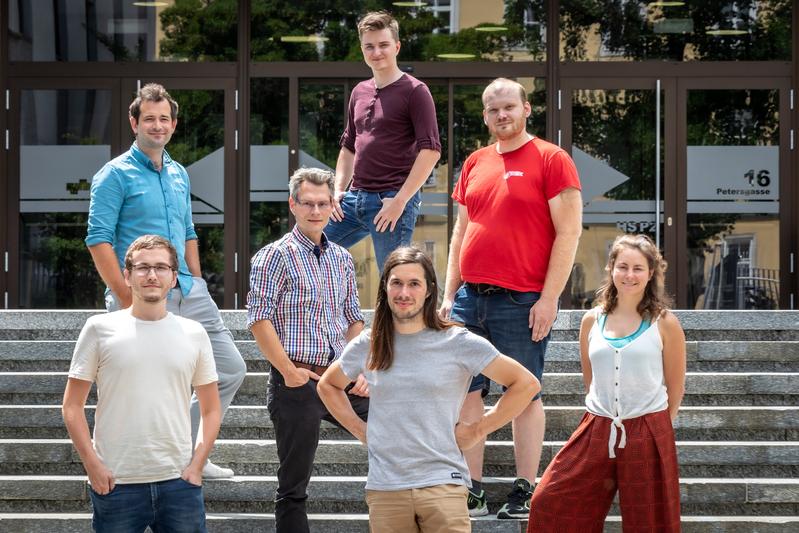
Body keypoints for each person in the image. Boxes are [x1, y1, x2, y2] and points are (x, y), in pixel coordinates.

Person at [85, 83, 246, 479]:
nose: (157, 126)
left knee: (230, 368)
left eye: (164, 119)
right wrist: (126, 298)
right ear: (134, 123)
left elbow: (188, 229)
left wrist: (195, 278)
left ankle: (194, 453)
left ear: (173, 125)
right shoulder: (113, 175)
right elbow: (98, 239)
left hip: (189, 293)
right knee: (138, 388)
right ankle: (124, 464)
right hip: (139, 297)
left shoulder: (177, 173)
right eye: (149, 119)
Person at [438, 77, 583, 519]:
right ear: (485, 116)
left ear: (526, 109)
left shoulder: (552, 160)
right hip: (469, 300)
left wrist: (549, 297)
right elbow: (461, 231)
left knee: (525, 394)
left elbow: (569, 231)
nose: (502, 115)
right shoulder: (475, 163)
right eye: (493, 109)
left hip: (522, 300)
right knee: (466, 392)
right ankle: (472, 490)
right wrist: (448, 295)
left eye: (509, 107)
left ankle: (525, 489)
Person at [318, 247, 540, 532]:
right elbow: (328, 385)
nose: (404, 292)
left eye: (414, 284)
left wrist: (477, 430)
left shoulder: (458, 341)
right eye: (396, 282)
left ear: (428, 290)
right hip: (387, 488)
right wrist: (362, 431)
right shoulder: (369, 342)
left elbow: (526, 384)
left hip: (444, 485)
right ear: (385, 287)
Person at [62, 235, 222, 532]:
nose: (151, 275)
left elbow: (212, 409)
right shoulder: (99, 329)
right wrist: (93, 466)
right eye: (142, 267)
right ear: (127, 275)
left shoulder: (195, 333)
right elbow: (72, 407)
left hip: (178, 483)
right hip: (116, 484)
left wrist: (197, 466)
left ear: (174, 277)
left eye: (161, 267)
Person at [528, 234, 686, 532]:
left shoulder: (664, 323)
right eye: (622, 266)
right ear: (611, 269)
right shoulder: (592, 320)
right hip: (597, 426)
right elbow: (592, 381)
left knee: (651, 522)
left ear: (651, 273)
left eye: (638, 268)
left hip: (648, 427)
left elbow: (676, 386)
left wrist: (657, 427)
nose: (629, 275)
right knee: (548, 500)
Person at [247, 167, 370, 533]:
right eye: (308, 203)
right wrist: (288, 371)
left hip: (338, 377)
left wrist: (357, 370)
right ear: (293, 205)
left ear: (333, 206)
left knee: (397, 438)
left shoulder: (342, 259)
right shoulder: (274, 256)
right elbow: (259, 320)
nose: (316, 211)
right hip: (296, 381)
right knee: (293, 486)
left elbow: (353, 319)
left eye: (323, 203)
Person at [326, 10, 441, 272]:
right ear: (362, 49)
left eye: (383, 45)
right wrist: (338, 191)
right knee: (309, 251)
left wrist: (400, 200)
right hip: (353, 199)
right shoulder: (360, 91)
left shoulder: (415, 91)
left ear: (397, 47)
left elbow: (431, 151)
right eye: (370, 46)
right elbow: (349, 146)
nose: (376, 52)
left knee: (394, 280)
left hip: (391, 200)